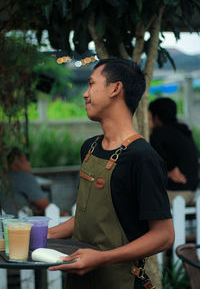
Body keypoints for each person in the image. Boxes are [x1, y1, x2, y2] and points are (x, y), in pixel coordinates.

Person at [47, 58, 174, 289]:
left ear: (115, 88)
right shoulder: (90, 148)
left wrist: (103, 258)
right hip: (79, 280)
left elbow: (164, 235)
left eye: (91, 84)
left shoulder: (143, 158)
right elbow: (88, 219)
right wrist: (39, 236)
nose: (85, 94)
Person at [148, 97, 199, 205]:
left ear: (156, 117)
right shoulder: (184, 131)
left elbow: (153, 164)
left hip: (175, 193)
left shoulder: (158, 134)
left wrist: (168, 171)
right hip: (192, 192)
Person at [2, 147, 68, 217]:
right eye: (26, 160)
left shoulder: (5, 178)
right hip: (18, 222)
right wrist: (64, 215)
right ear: (18, 164)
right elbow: (45, 205)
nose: (29, 163)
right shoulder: (24, 177)